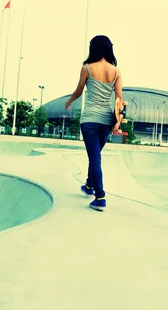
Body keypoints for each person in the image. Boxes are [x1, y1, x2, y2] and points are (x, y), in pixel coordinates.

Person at [65, 35, 122, 211]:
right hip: (106, 121)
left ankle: (100, 196)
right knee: (95, 157)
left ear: (94, 48)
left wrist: (69, 101)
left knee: (94, 159)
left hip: (89, 119)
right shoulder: (116, 71)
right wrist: (118, 121)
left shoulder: (87, 68)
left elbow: (79, 91)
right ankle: (89, 185)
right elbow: (119, 98)